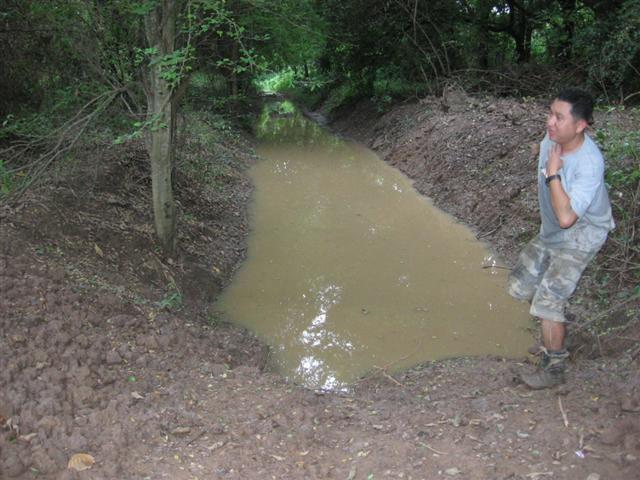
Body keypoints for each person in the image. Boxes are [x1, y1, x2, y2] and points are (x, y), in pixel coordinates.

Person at [508, 88, 615, 390]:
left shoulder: (589, 163)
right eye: (549, 113)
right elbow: (559, 218)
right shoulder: (552, 138)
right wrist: (541, 153)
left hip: (583, 232)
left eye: (558, 117)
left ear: (580, 125)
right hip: (553, 230)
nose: (550, 122)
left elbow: (568, 218)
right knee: (520, 285)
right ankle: (554, 329)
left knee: (548, 299)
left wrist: (553, 174)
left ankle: (554, 366)